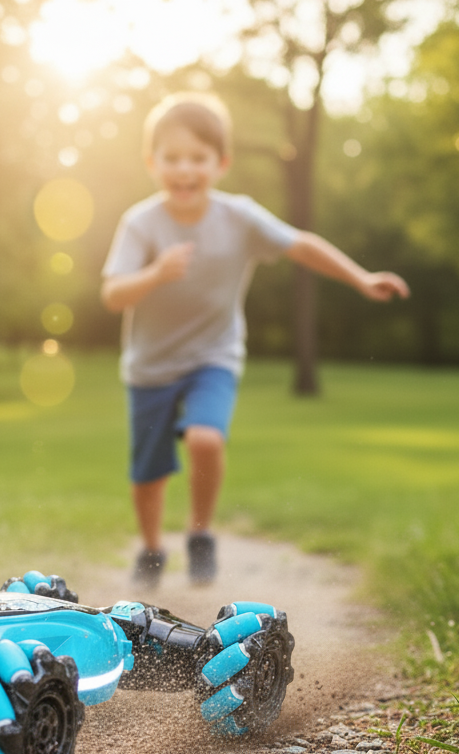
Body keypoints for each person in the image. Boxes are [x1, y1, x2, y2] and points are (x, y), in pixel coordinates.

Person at [101, 92, 409, 588]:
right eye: (172, 158)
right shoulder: (141, 223)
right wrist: (156, 272)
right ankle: (152, 549)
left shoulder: (238, 216)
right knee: (149, 472)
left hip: (213, 355)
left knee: (205, 437)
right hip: (150, 366)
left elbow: (301, 244)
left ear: (221, 163)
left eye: (197, 158)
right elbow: (113, 294)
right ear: (151, 162)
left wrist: (361, 277)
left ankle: (200, 533)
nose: (185, 169)